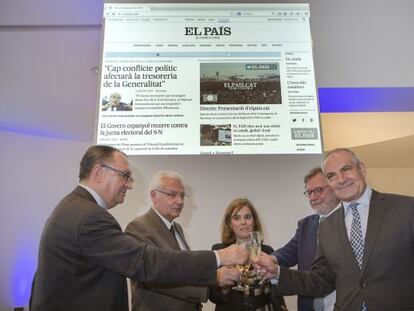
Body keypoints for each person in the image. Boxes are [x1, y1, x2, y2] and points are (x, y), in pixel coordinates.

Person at [30, 145, 247, 311]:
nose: (130, 184)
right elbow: (146, 264)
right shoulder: (90, 217)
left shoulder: (73, 206)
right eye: (124, 176)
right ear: (98, 172)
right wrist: (218, 257)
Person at [256, 148, 414, 310]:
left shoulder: (406, 208)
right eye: (331, 176)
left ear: (362, 169)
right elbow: (322, 280)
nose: (341, 179)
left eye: (346, 169)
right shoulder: (326, 226)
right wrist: (277, 274)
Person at [125, 170, 223, 310]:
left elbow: (185, 272)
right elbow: (154, 279)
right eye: (172, 195)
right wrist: (212, 280)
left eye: (182, 195)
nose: (180, 201)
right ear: (154, 196)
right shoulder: (138, 228)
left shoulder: (177, 228)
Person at [274, 167, 339, 311]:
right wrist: (267, 260)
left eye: (318, 190)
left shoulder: (350, 221)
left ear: (334, 187)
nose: (313, 197)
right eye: (309, 192)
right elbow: (287, 253)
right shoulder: (305, 224)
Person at [210, 198, 287, 311]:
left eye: (247, 217)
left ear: (254, 221)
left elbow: (276, 291)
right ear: (230, 224)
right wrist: (224, 288)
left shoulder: (267, 251)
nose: (243, 222)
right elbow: (212, 296)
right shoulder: (219, 250)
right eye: (237, 218)